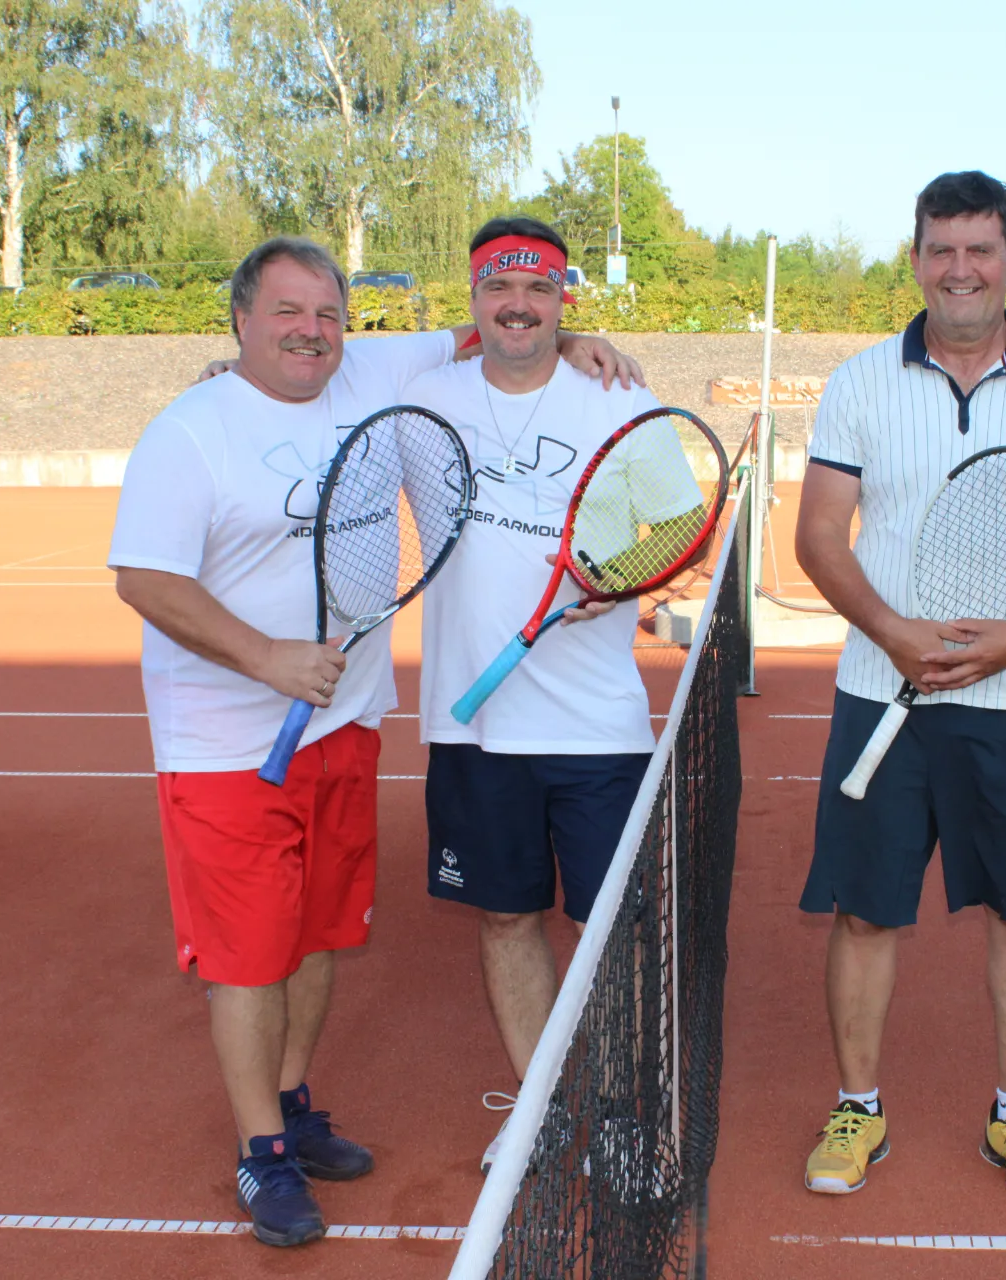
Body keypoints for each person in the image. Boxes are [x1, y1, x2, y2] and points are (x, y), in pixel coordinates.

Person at [111, 235, 639, 1248]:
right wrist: (266, 658)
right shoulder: (191, 431)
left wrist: (583, 338)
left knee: (316, 935)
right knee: (247, 957)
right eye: (286, 313)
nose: (310, 331)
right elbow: (146, 579)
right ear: (240, 319)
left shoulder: (375, 373)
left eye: (327, 313)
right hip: (226, 744)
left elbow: (499, 324)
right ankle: (261, 1149)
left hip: (344, 722)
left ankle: (294, 1101)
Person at [792, 172, 1006, 1201]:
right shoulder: (858, 381)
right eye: (942, 248)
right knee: (863, 912)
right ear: (916, 258)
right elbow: (817, 535)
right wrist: (892, 633)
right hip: (878, 691)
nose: (961, 268)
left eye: (981, 249)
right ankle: (858, 1107)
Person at [401, 214, 702, 1172]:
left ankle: (617, 1111)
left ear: (563, 296)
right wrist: (222, 376)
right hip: (471, 721)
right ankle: (540, 1106)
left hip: (596, 726)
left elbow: (681, 526)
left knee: (607, 931)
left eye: (539, 290)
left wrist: (613, 579)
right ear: (475, 297)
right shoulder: (423, 399)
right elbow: (311, 374)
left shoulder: (614, 400)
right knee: (504, 918)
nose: (518, 305)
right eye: (499, 287)